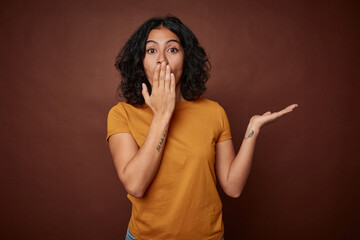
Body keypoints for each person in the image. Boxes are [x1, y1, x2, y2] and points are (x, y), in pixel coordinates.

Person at [106, 16, 298, 240]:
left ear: (186, 58)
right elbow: (136, 185)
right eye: (151, 51)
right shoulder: (121, 114)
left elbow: (233, 187)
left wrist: (252, 130)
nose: (161, 60)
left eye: (172, 50)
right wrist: (162, 113)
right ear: (139, 61)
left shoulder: (213, 112)